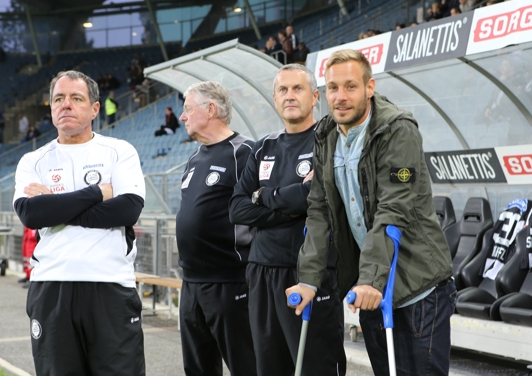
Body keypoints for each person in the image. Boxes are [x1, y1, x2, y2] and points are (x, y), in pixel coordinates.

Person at [286, 49, 454, 376]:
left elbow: (394, 208)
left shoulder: (397, 129)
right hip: (370, 288)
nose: (340, 97)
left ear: (370, 87)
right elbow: (319, 211)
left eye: (350, 86)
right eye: (333, 88)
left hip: (417, 288)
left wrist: (371, 281)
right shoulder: (325, 135)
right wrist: (308, 279)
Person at [13, 70, 146, 375]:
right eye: (58, 99)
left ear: (95, 108)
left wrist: (55, 205)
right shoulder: (32, 161)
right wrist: (97, 193)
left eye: (76, 98)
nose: (66, 105)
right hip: (51, 288)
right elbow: (31, 214)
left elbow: (127, 210)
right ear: (50, 107)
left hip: (110, 287)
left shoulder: (119, 152)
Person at [229, 64, 346, 376]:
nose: (290, 96)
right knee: (269, 364)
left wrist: (264, 195)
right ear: (274, 97)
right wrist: (293, 202)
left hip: (308, 271)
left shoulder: (329, 140)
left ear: (314, 96)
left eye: (298, 89)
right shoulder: (263, 147)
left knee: (314, 365)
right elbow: (238, 209)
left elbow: (320, 199)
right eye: (283, 90)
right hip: (261, 271)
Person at [175, 81, 257, 376]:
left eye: (187, 109)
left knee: (246, 366)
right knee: (197, 369)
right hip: (191, 284)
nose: (182, 117)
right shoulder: (195, 158)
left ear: (210, 109)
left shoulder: (245, 152)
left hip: (230, 283)